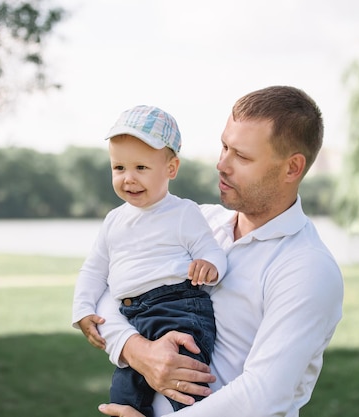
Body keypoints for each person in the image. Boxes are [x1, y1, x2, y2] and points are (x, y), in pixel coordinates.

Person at [95, 86, 344, 417]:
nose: (221, 164)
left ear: (292, 168)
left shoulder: (306, 267)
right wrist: (136, 350)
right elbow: (111, 291)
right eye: (224, 146)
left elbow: (263, 395)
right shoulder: (197, 222)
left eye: (241, 156)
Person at [71, 105, 228, 417]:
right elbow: (94, 269)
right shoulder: (114, 221)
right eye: (119, 168)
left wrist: (210, 268)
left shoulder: (183, 213)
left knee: (183, 380)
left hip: (178, 307)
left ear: (171, 168)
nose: (129, 178)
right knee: (124, 392)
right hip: (134, 315)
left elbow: (211, 251)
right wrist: (83, 309)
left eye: (141, 168)